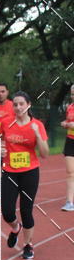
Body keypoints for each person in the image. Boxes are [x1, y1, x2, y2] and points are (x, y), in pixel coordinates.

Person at [0, 91, 49, 259]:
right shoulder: (6, 123)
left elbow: (45, 154)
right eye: (15, 104)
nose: (18, 107)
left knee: (26, 210)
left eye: (21, 104)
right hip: (9, 172)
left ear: (28, 105)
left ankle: (28, 244)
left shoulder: (38, 125)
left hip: (30, 172)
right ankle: (15, 228)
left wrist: (36, 134)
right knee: (6, 211)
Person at [60, 83, 74, 211]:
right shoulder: (69, 107)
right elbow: (69, 123)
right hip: (70, 141)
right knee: (70, 172)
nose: (73, 95)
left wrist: (70, 125)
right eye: (72, 93)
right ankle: (69, 202)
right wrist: (65, 124)